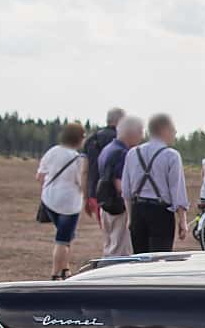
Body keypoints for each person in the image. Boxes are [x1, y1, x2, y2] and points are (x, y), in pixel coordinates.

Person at [120, 113, 189, 254]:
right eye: (172, 129)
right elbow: (177, 190)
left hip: (138, 210)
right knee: (160, 260)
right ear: (163, 130)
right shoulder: (171, 155)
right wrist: (182, 220)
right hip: (161, 213)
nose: (174, 133)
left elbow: (126, 190)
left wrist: (130, 217)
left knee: (140, 258)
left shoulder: (133, 153)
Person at [35, 122, 90, 279]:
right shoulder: (77, 159)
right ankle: (55, 274)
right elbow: (81, 182)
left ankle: (65, 269)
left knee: (65, 236)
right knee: (62, 240)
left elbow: (39, 176)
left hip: (49, 200)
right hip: (69, 204)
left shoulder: (52, 152)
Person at [95, 114, 143, 257]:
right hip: (118, 206)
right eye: (140, 133)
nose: (141, 138)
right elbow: (120, 184)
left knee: (110, 245)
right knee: (120, 250)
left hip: (106, 204)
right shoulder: (123, 153)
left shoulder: (108, 149)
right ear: (132, 133)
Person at [81, 107, 123, 226]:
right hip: (117, 197)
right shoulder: (123, 140)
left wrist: (85, 197)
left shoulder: (91, 139)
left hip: (95, 194)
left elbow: (84, 171)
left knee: (107, 235)